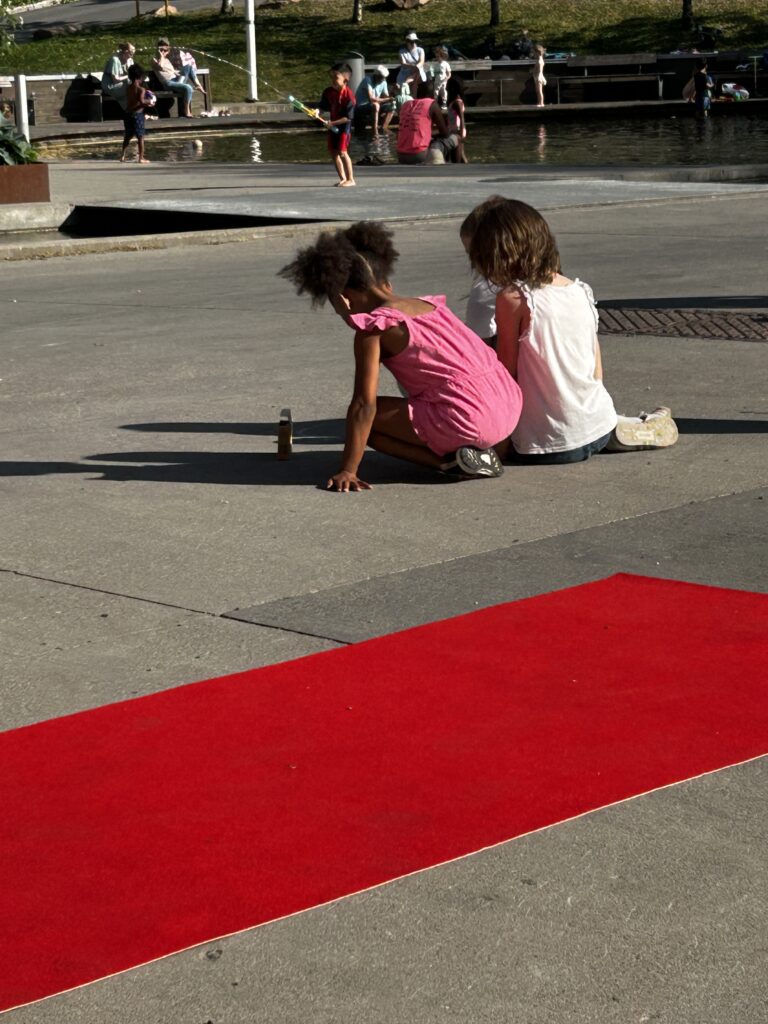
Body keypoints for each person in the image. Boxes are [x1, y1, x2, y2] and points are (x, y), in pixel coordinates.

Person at [278, 221, 522, 490]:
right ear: (387, 282)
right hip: (508, 405)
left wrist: (347, 469)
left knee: (367, 423)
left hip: (467, 419)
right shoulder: (431, 306)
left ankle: (447, 464)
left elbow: (363, 405)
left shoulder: (374, 330)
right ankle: (479, 453)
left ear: (343, 298)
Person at [465, 197, 678, 463]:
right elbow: (596, 371)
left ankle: (609, 427)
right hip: (596, 427)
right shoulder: (580, 290)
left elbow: (508, 377)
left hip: (542, 444)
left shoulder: (513, 298)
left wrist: (500, 444)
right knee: (593, 413)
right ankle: (626, 427)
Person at [396, 79, 453, 165]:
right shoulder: (432, 104)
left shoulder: (406, 104)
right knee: (455, 138)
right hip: (419, 155)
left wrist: (430, 134)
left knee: (433, 140)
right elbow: (445, 133)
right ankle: (458, 166)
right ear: (433, 94)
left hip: (401, 156)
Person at [318, 62, 356, 187]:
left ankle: (351, 179)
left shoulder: (349, 95)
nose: (333, 80)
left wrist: (332, 123)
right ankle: (343, 178)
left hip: (344, 127)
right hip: (332, 126)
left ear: (346, 79)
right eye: (331, 77)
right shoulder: (328, 92)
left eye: (336, 77)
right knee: (333, 152)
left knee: (342, 152)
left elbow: (348, 117)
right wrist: (317, 111)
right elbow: (323, 107)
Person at [151, 38, 194, 118]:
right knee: (188, 88)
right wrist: (161, 57)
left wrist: (181, 73)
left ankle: (196, 85)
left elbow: (174, 72)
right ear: (158, 49)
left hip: (175, 80)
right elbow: (160, 67)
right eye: (161, 49)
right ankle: (187, 111)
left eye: (165, 50)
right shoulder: (154, 60)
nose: (164, 51)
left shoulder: (167, 60)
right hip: (168, 83)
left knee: (188, 67)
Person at [120, 65, 153, 163]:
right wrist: (149, 101)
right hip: (137, 115)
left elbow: (134, 101)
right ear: (141, 77)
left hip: (127, 114)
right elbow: (142, 101)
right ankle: (141, 158)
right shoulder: (141, 89)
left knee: (128, 136)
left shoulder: (128, 88)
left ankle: (122, 155)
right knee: (140, 136)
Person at [354, 65, 394, 133]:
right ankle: (375, 130)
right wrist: (387, 99)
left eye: (384, 78)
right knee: (376, 105)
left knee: (391, 107)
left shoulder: (383, 82)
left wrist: (394, 91)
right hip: (362, 105)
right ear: (376, 75)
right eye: (381, 77)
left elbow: (387, 97)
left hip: (373, 105)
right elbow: (372, 99)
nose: (383, 79)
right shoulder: (367, 80)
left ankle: (383, 128)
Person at [102, 42, 135, 108]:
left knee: (135, 84)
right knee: (130, 85)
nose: (133, 52)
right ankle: (133, 110)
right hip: (111, 86)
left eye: (134, 50)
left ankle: (134, 110)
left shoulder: (130, 61)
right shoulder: (115, 60)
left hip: (122, 85)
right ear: (126, 51)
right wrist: (128, 76)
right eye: (132, 50)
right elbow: (115, 80)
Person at [445, 75, 467, 163]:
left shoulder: (457, 103)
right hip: (454, 131)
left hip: (457, 132)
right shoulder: (455, 102)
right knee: (461, 155)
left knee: (457, 158)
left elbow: (462, 119)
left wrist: (462, 133)